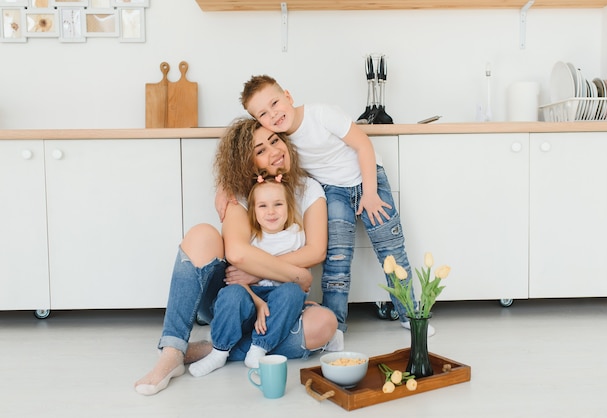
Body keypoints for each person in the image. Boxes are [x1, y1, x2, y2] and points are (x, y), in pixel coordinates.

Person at [134, 117, 338, 396]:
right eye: (260, 150)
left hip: (279, 299)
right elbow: (238, 254)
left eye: (275, 141)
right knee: (202, 234)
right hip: (234, 294)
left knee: (325, 324)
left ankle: (216, 348)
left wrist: (262, 271)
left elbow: (316, 251)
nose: (274, 151)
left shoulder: (308, 188)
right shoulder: (241, 191)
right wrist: (296, 274)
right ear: (249, 162)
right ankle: (172, 351)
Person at [239, 75, 434, 338]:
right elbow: (244, 159)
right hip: (334, 192)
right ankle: (336, 326)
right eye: (263, 113)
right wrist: (223, 190)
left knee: (391, 250)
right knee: (337, 260)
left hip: (368, 179)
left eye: (275, 103)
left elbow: (363, 144)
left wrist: (371, 193)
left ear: (288, 95)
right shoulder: (280, 142)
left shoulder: (321, 114)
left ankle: (410, 314)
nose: (273, 114)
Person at [188, 172, 314, 376]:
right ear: (253, 211)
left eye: (278, 204)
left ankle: (259, 348)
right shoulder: (250, 238)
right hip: (249, 298)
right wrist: (257, 302)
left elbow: (300, 278)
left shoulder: (296, 237)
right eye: (263, 206)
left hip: (277, 302)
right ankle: (219, 351)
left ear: (288, 206)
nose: (271, 212)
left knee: (293, 292)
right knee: (232, 294)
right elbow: (233, 278)